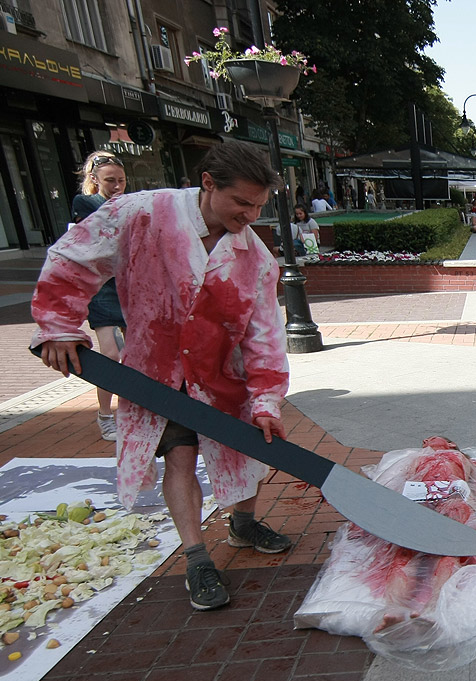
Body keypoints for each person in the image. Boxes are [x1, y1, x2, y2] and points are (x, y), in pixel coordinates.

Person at [31, 141, 292, 610]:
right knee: (179, 456)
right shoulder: (139, 213)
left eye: (259, 205)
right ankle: (197, 558)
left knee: (248, 447)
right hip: (157, 370)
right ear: (209, 184)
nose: (251, 215)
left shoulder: (256, 261)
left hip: (220, 373)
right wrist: (58, 326)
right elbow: (72, 258)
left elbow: (266, 336)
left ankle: (243, 524)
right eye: (242, 202)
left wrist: (266, 399)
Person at [71, 151, 127, 441]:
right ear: (94, 179)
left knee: (140, 356)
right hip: (103, 289)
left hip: (130, 287)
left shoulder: (129, 203)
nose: (117, 186)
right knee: (111, 354)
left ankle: (140, 412)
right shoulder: (87, 202)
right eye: (110, 180)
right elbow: (99, 235)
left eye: (121, 180)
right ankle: (106, 415)